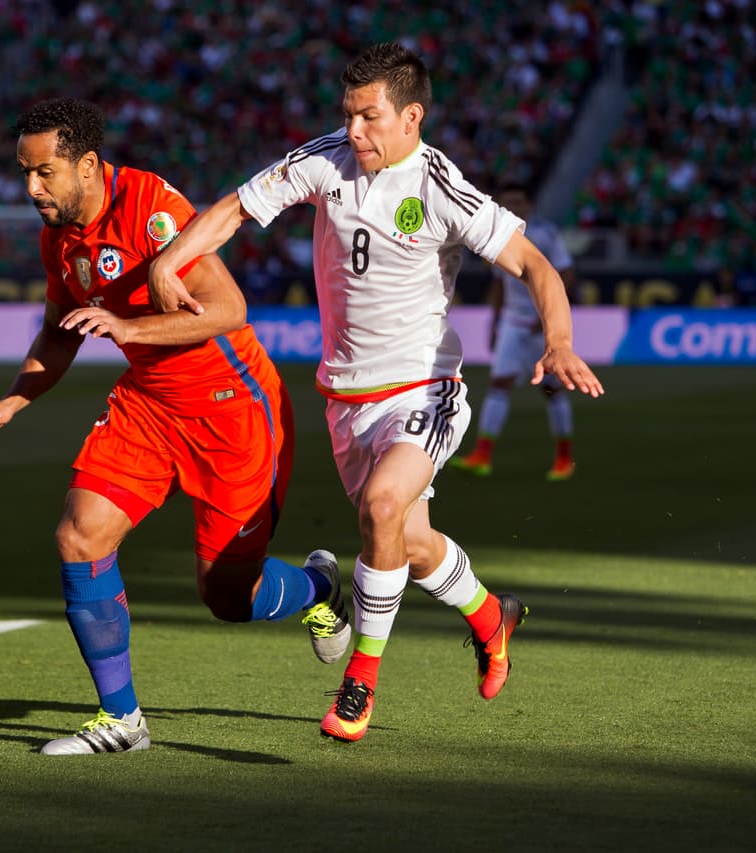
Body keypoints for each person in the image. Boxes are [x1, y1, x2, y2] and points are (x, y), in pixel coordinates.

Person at [148, 42, 604, 742]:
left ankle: (359, 680)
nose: (355, 130)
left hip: (425, 388)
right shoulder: (327, 159)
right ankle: (491, 615)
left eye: (369, 117)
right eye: (349, 115)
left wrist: (561, 339)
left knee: (385, 506)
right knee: (405, 538)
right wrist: (173, 256)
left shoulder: (440, 186)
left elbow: (534, 264)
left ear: (410, 117)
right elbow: (236, 208)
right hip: (346, 400)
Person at [0, 98, 350, 756]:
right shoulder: (59, 236)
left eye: (44, 173)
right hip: (149, 405)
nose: (31, 188)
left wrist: (130, 327)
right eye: (24, 174)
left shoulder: (149, 208)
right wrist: (14, 399)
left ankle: (317, 586)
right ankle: (122, 719)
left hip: (232, 407)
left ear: (86, 165)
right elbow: (60, 330)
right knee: (79, 535)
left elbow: (229, 308)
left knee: (226, 595)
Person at [449, 184, 578, 481]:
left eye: (519, 201)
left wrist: (549, 319)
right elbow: (499, 284)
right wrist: (494, 323)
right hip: (512, 323)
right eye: (508, 202)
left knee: (551, 389)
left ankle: (564, 458)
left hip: (540, 327)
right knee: (499, 384)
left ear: (529, 204)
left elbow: (566, 275)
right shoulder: (499, 234)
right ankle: (482, 455)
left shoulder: (544, 234)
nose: (514, 207)